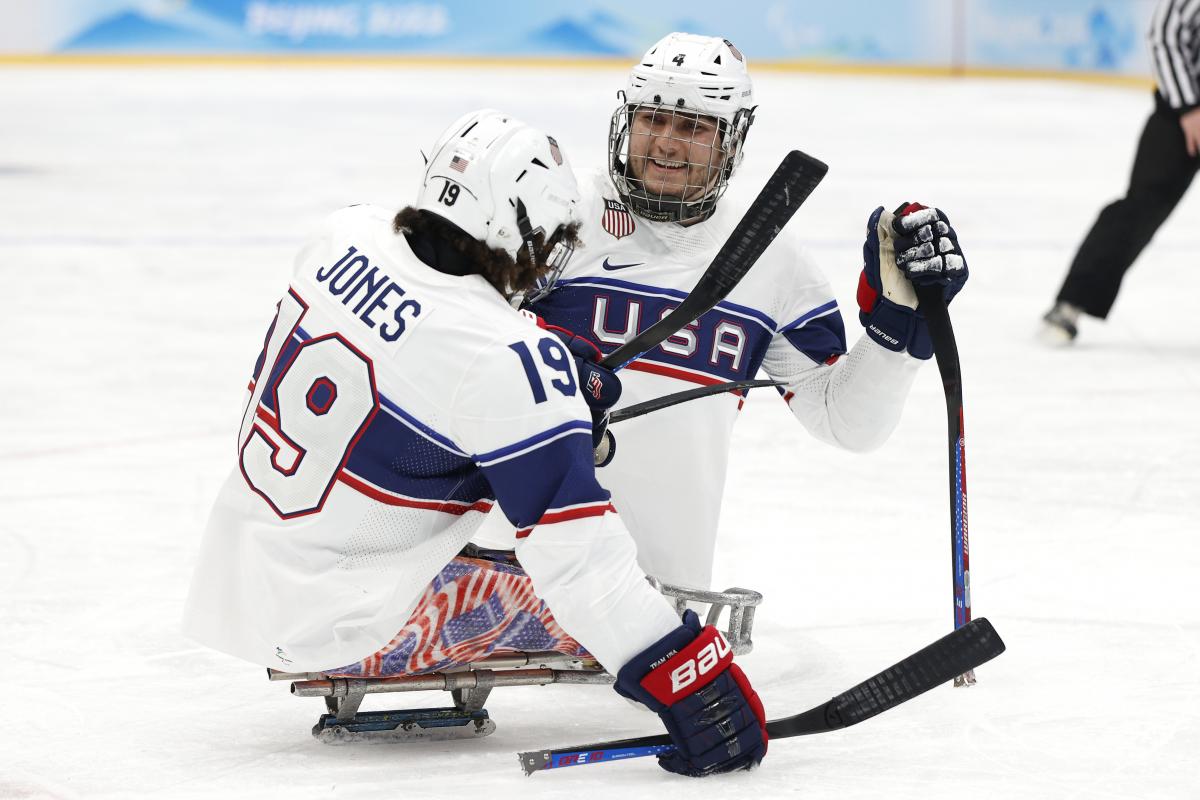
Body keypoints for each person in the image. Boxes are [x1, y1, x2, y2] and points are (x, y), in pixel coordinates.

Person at [182, 109, 767, 777]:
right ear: (522, 226)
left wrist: (549, 371)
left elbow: (431, 320)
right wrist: (692, 681)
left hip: (239, 571)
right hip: (337, 624)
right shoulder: (502, 361)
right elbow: (581, 564)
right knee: (592, 558)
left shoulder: (341, 233)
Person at [473, 32, 969, 591]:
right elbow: (442, 353)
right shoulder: (552, 209)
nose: (665, 142)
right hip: (492, 592)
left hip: (656, 617)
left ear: (731, 139)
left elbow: (844, 423)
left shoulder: (773, 260)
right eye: (652, 119)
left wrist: (897, 334)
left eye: (693, 127)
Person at [1041, 0, 1200, 343]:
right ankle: (1071, 303)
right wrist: (1189, 108)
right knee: (1140, 207)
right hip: (1183, 113)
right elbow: (1166, 34)